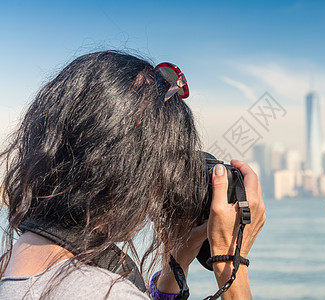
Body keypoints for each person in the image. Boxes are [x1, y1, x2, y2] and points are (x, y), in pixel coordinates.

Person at [0, 51, 265, 299]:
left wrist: (179, 259)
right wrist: (231, 264)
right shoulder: (108, 293)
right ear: (131, 170)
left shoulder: (12, 265)